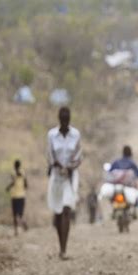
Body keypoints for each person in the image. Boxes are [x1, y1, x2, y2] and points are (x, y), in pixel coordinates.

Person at [47, 106, 82, 260]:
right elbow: (49, 156)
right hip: (56, 178)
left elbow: (79, 157)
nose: (65, 123)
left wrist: (69, 168)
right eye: (63, 120)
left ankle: (63, 249)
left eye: (67, 120)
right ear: (59, 120)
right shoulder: (51, 135)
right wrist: (59, 166)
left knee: (67, 209)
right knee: (58, 213)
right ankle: (60, 243)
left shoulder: (76, 135)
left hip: (71, 177)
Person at [109, 145, 138, 218]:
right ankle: (134, 208)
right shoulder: (132, 163)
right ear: (130, 153)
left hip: (117, 187)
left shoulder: (116, 162)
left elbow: (110, 172)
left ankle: (114, 209)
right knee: (135, 189)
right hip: (128, 186)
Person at [5, 160, 28, 236]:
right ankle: (22, 224)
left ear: (14, 166)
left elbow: (13, 182)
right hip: (21, 196)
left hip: (15, 196)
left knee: (15, 215)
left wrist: (8, 188)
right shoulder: (23, 173)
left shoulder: (13, 173)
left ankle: (16, 231)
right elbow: (26, 185)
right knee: (20, 215)